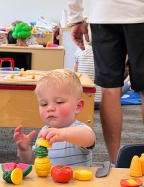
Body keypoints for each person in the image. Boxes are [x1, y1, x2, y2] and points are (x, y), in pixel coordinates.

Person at [67, 0, 144, 163]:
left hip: (104, 15)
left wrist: (76, 18)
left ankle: (115, 162)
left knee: (110, 89)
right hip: (140, 13)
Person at [14, 69, 95, 166]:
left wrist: (63, 134)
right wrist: (24, 150)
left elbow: (89, 138)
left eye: (59, 102)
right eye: (44, 104)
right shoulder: (44, 131)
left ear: (78, 106)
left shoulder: (78, 129)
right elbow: (33, 162)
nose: (50, 108)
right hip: (48, 181)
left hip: (76, 181)